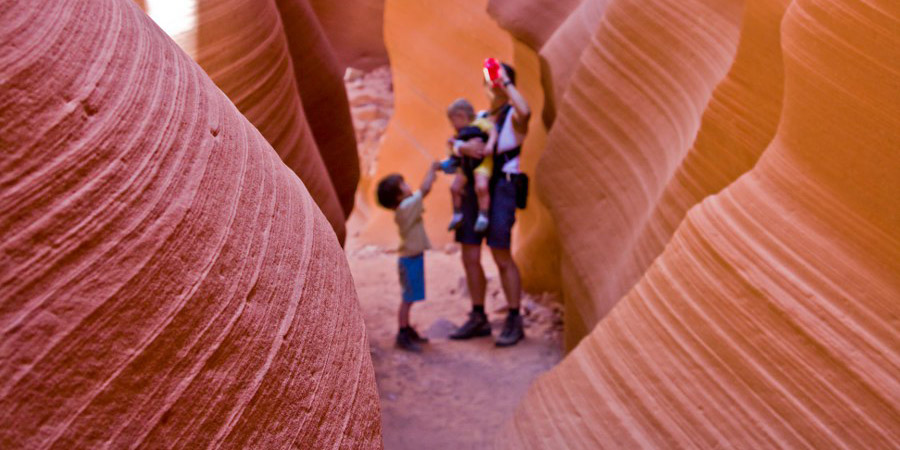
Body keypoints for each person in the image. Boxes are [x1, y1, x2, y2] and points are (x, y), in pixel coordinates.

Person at [450, 62, 530, 347]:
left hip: (502, 187)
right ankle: (478, 315)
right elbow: (455, 142)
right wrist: (462, 147)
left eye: (496, 80)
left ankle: (514, 318)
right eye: (489, 80)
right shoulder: (481, 118)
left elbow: (526, 112)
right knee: (469, 253)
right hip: (475, 187)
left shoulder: (514, 117)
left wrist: (506, 82)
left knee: (501, 254)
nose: (491, 85)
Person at [376, 161, 441, 352]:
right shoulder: (405, 208)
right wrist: (432, 169)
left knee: (410, 297)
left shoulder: (406, 207)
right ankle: (402, 332)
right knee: (407, 299)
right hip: (409, 260)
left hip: (413, 258)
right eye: (403, 184)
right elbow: (425, 189)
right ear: (398, 196)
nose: (408, 185)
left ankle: (406, 328)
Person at [443, 98, 498, 233]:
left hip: (482, 162)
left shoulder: (480, 122)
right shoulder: (459, 133)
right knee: (455, 188)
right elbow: (453, 150)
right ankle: (457, 214)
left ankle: (483, 214)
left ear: (461, 116)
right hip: (466, 165)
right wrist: (452, 144)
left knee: (481, 186)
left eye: (453, 121)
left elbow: (492, 132)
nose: (452, 125)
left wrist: (490, 145)